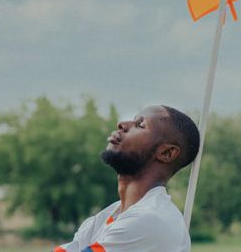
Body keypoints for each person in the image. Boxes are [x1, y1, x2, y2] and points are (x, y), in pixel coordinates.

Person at [54, 105, 200, 252]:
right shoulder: (103, 218)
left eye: (140, 125)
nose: (122, 124)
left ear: (167, 153)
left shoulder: (151, 220)